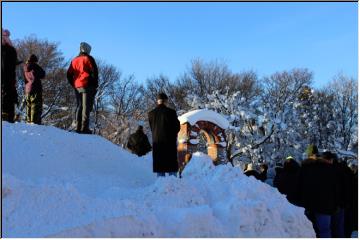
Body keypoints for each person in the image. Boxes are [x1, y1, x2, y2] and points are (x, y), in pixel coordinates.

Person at [296, 151, 341, 238]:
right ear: (328, 160)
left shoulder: (305, 169)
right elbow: (336, 189)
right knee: (325, 230)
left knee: (307, 229)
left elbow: (299, 186)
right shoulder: (331, 170)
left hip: (308, 205)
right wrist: (336, 205)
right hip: (325, 206)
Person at [67, 42, 98, 134]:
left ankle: (78, 127)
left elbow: (68, 74)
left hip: (77, 86)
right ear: (87, 50)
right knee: (86, 107)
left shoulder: (74, 60)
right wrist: (95, 85)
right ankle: (84, 128)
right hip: (87, 85)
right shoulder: (89, 58)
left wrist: (73, 83)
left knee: (79, 106)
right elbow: (94, 73)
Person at [148, 93, 180, 177]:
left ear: (157, 101)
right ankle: (174, 188)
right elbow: (177, 128)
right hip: (170, 145)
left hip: (157, 145)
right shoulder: (171, 112)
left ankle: (161, 189)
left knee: (160, 171)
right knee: (172, 171)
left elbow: (152, 128)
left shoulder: (151, 114)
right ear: (166, 101)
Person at [1, 29, 19, 123]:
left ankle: (7, 115)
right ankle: (7, 115)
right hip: (9, 78)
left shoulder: (9, 50)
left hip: (8, 78)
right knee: (8, 95)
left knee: (8, 94)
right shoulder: (10, 49)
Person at [23, 54, 46, 124]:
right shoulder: (35, 66)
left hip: (27, 89)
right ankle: (34, 121)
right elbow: (43, 74)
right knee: (35, 105)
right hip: (36, 88)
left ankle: (28, 121)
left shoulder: (25, 67)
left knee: (28, 105)